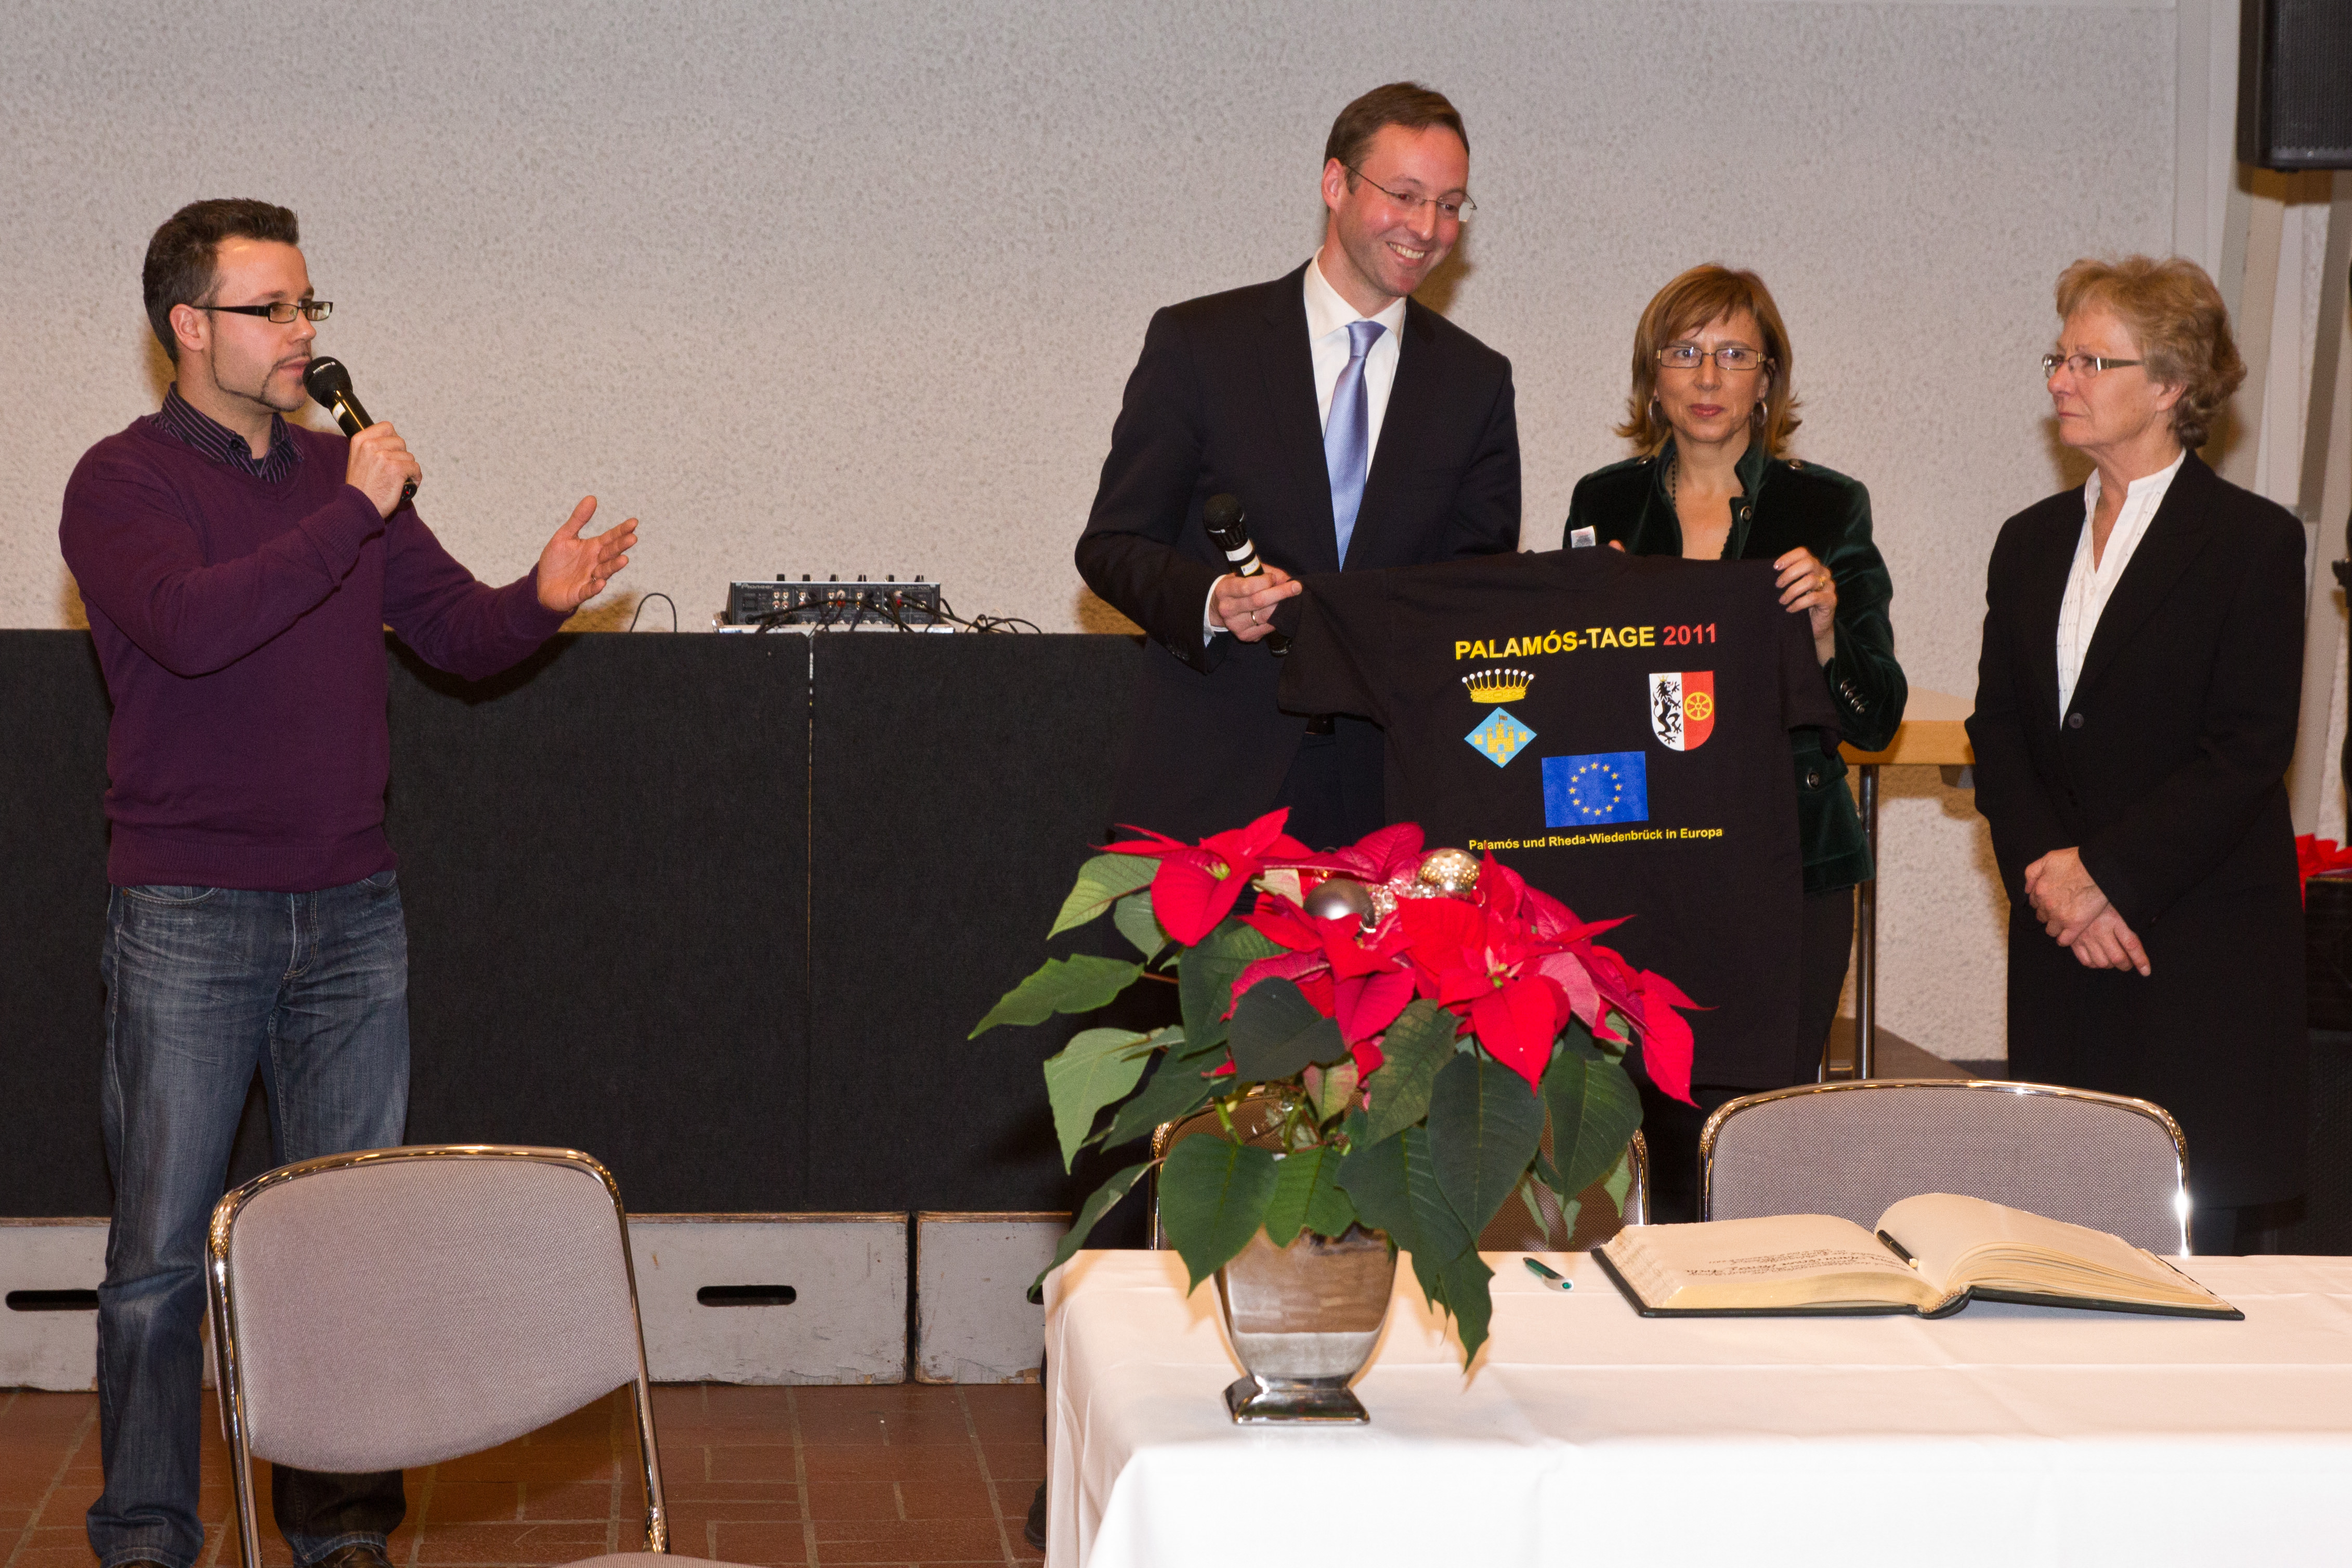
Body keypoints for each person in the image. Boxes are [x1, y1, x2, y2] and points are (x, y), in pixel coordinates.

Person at [59, 199, 637, 1568]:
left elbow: (455, 634)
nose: (301, 332)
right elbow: (194, 628)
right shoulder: (122, 482)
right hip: (189, 914)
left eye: (309, 305)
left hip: (351, 912)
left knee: (347, 1245)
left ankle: (339, 1536)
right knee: (160, 1256)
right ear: (187, 325)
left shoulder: (340, 478)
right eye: (269, 308)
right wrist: (352, 513)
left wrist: (540, 595)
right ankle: (146, 1534)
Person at [1077, 81, 1521, 852]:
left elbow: (1472, 597)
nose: (1428, 228)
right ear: (1335, 184)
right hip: (1211, 789)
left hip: (1392, 802)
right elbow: (1112, 546)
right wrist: (1212, 601)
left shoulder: (1476, 382)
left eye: (1450, 205)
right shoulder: (1201, 344)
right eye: (1406, 195)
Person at [1968, 255, 2305, 1254]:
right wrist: (2052, 880)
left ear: (2170, 386)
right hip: (2062, 949)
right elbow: (2001, 732)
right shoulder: (2028, 542)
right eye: (2059, 357)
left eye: (2091, 361)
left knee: (2192, 1266)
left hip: (2192, 952)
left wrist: (2106, 878)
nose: (2061, 380)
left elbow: (2247, 748)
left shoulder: (2251, 543)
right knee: (2056, 1248)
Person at [1559, 264, 1905, 1219]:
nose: (1708, 377)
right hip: (1637, 865)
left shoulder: (1827, 508)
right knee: (1642, 1127)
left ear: (1768, 379)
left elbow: (1876, 716)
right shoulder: (1602, 503)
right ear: (1653, 376)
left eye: (1734, 355)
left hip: (1786, 868)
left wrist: (1826, 634)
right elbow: (1575, 698)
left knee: (1757, 1132)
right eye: (1685, 352)